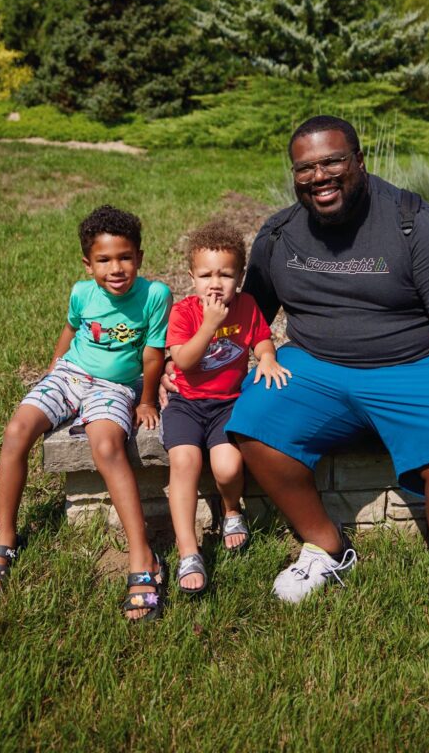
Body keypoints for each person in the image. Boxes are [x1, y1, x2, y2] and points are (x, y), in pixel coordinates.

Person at [164, 115, 429, 704]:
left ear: (359, 159)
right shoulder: (280, 236)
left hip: (412, 365)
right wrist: (180, 370)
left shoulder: (417, 226)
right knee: (254, 425)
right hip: (316, 364)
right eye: (305, 168)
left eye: (332, 161)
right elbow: (244, 316)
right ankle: (327, 545)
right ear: (293, 175)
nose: (319, 176)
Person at [0, 204, 172, 623]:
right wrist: (55, 364)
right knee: (16, 431)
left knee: (106, 445)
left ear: (139, 256)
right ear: (88, 263)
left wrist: (147, 399)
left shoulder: (154, 296)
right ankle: (5, 537)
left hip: (116, 386)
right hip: (71, 374)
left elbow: (152, 356)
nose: (115, 268)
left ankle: (143, 557)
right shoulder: (82, 292)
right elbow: (71, 327)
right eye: (104, 260)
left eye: (125, 257)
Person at [163, 221, 290, 594]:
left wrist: (266, 357)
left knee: (228, 465)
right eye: (205, 275)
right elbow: (184, 362)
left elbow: (262, 339)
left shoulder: (248, 306)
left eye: (225, 274)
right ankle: (188, 550)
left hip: (226, 405)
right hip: (186, 405)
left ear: (241, 276)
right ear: (192, 277)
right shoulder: (185, 313)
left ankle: (231, 509)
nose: (215, 283)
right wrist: (210, 324)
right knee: (184, 464)